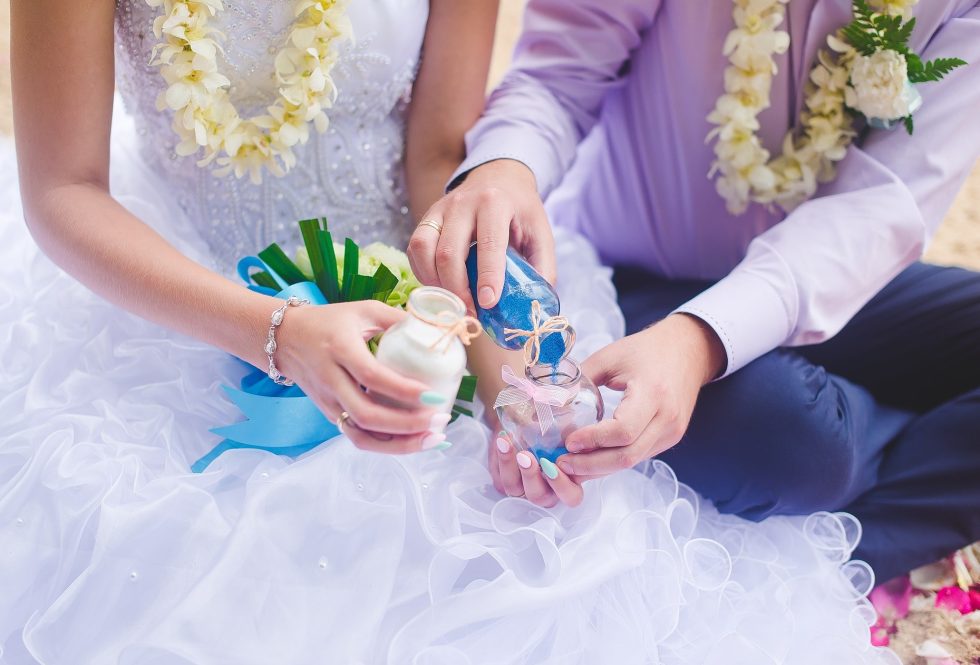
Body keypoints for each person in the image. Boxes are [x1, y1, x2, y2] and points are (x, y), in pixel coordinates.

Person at [0, 1, 899, 663]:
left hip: (426, 284)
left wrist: (505, 385)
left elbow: (438, 157)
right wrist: (279, 332)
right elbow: (62, 191)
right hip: (177, 289)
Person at [409, 0, 980, 585]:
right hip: (635, 273)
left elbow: (883, 208)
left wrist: (702, 340)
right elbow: (558, 78)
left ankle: (840, 535)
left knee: (808, 441)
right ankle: (866, 451)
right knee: (789, 438)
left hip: (838, 273)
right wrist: (508, 166)